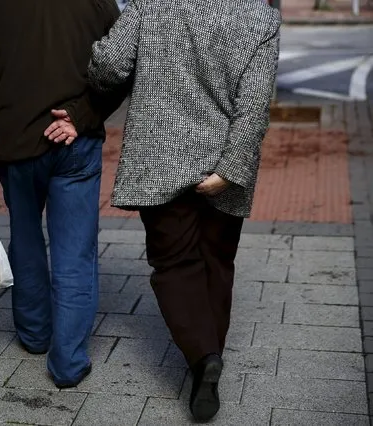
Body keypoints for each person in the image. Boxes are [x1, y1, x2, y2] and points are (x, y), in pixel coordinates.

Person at [47, 0, 281, 421]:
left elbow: (110, 67)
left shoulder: (153, 2)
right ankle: (208, 361)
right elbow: (255, 104)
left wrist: (101, 53)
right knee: (217, 262)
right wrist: (230, 169)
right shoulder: (259, 15)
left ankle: (203, 357)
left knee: (174, 264)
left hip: (160, 158)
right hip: (223, 162)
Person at [0, 0, 123, 388]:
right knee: (75, 252)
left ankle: (34, 335)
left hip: (16, 142)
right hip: (74, 141)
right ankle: (69, 364)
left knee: (25, 237)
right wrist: (84, 114)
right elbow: (122, 64)